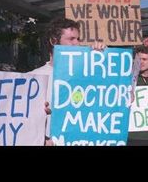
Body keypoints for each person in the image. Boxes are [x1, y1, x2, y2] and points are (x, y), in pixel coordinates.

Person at [28, 17, 105, 145]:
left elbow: (113, 94)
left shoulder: (86, 73)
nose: (77, 44)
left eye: (78, 39)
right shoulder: (33, 77)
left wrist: (103, 56)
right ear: (53, 41)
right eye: (71, 39)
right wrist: (42, 139)